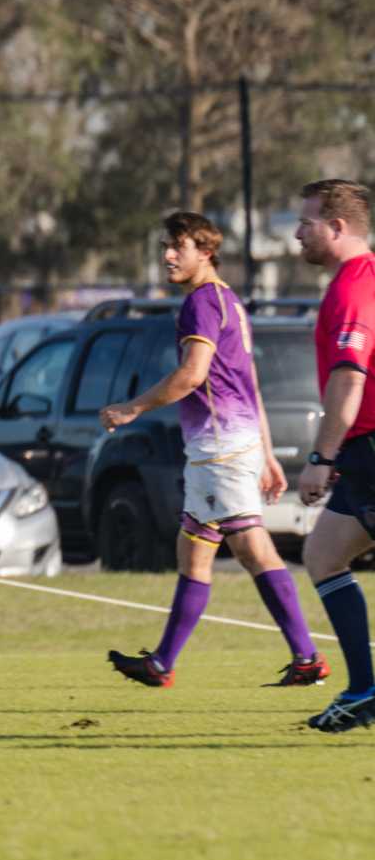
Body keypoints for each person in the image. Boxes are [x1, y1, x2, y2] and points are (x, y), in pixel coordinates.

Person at [101, 212, 325, 688]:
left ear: (205, 252)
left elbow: (192, 375)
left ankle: (307, 656)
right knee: (195, 552)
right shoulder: (230, 301)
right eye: (166, 245)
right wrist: (265, 453)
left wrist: (133, 408)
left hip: (220, 449)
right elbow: (251, 385)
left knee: (252, 548)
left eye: (177, 247)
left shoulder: (202, 303)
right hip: (225, 447)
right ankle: (162, 663)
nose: (167, 255)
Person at [291, 180, 375, 733]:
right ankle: (364, 690)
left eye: (307, 223)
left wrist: (321, 457)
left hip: (369, 449)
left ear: (338, 228)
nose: (298, 233)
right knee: (323, 557)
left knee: (323, 558)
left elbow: (349, 377)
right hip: (362, 451)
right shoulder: (356, 281)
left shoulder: (354, 287)